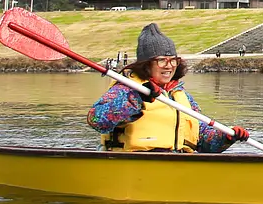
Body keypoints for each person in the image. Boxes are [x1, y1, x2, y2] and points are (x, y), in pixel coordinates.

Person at [86, 23, 252, 152]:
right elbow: (96, 120)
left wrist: (227, 136)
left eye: (173, 60)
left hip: (178, 163)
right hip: (137, 162)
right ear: (146, 64)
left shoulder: (180, 95)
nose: (169, 66)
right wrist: (136, 98)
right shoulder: (127, 89)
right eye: (162, 60)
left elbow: (202, 140)